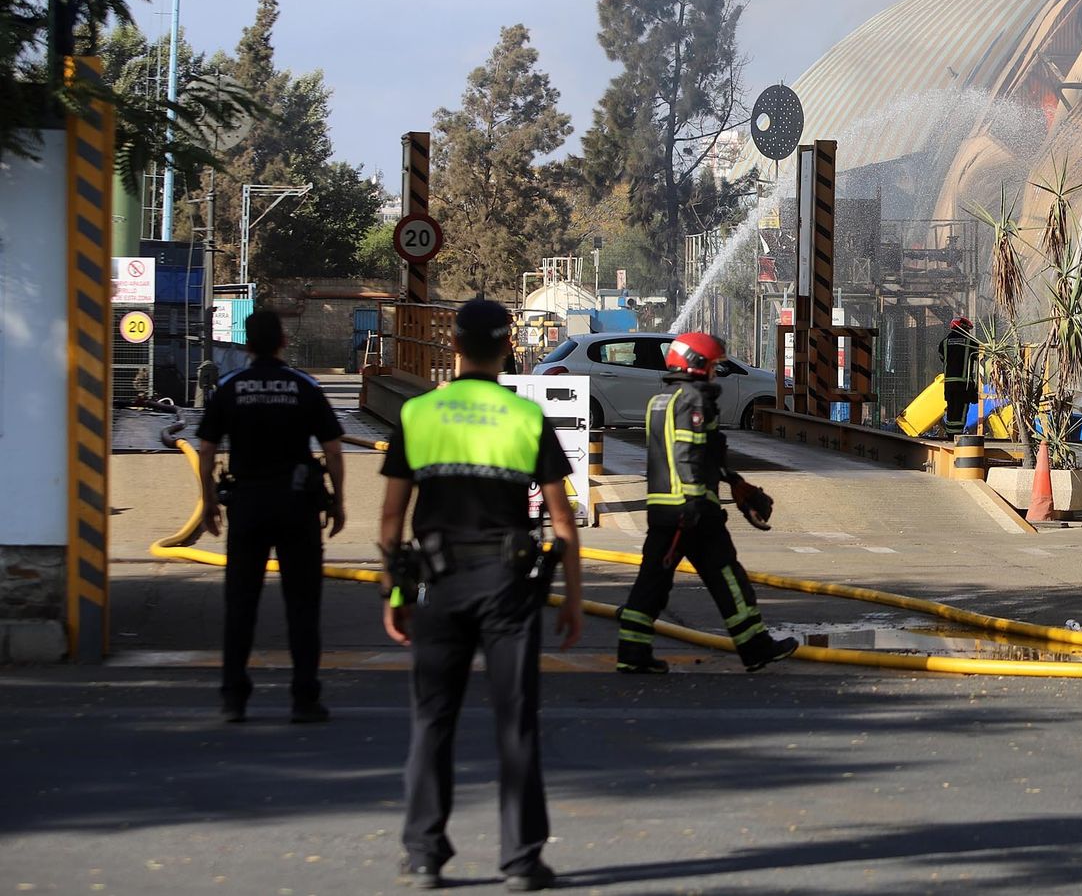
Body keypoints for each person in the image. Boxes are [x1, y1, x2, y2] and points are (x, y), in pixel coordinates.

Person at [379, 298, 583, 891]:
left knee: (432, 718)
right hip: (509, 590)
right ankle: (521, 860)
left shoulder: (419, 414)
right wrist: (570, 598)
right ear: (506, 348)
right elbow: (563, 523)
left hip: (438, 585)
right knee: (515, 721)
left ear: (455, 347)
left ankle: (423, 853)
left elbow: (392, 520)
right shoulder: (525, 418)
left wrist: (396, 593)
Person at [615, 331, 798, 675]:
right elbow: (689, 454)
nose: (715, 374)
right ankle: (756, 647)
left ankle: (632, 651)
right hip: (692, 511)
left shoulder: (662, 399)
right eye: (713, 366)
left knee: (653, 580)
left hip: (665, 509)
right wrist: (697, 504)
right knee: (727, 576)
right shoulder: (694, 400)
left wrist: (736, 482)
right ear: (697, 364)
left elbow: (704, 450)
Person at [197, 309, 345, 723]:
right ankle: (303, 699)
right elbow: (333, 448)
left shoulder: (230, 387)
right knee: (302, 604)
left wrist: (208, 501)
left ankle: (233, 698)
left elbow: (206, 449)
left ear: (247, 344)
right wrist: (338, 501)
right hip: (297, 506)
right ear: (282, 341)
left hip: (247, 506)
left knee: (240, 603)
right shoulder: (304, 386)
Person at [938, 316, 979, 434]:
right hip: (964, 384)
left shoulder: (944, 343)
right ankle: (957, 436)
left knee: (951, 410)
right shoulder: (970, 342)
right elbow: (978, 356)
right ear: (963, 328)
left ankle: (950, 434)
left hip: (949, 384)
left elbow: (943, 358)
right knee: (961, 411)